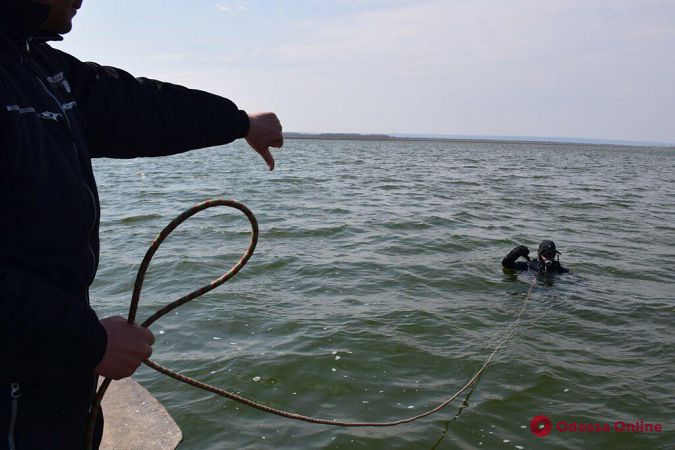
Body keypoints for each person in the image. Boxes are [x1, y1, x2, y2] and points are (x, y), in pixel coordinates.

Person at [0, 0, 283, 448]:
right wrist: (82, 341)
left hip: (45, 375)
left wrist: (238, 122)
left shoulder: (37, 69)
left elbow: (135, 106)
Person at [502, 240, 570, 274]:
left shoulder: (559, 270)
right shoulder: (529, 266)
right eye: (545, 254)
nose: (548, 257)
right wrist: (517, 252)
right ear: (539, 253)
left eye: (551, 254)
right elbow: (506, 264)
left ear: (555, 254)